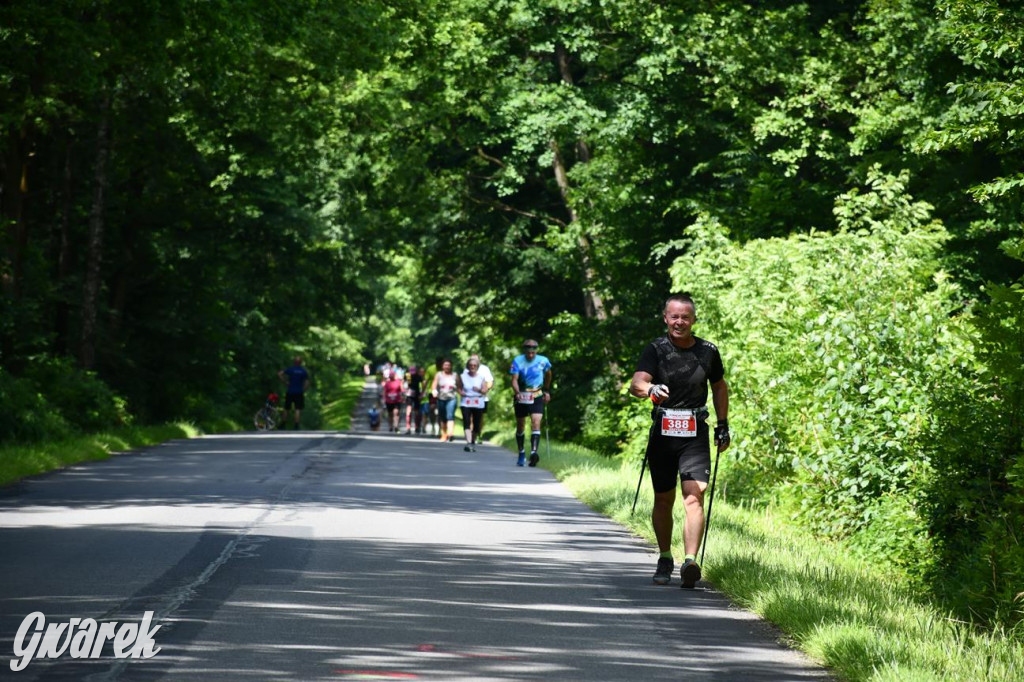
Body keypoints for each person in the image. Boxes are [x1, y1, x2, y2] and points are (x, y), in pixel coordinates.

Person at [629, 293, 730, 589]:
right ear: (665, 318)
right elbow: (636, 383)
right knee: (664, 497)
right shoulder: (655, 349)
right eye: (674, 316)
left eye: (685, 317)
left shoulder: (708, 352)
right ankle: (664, 556)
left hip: (695, 430)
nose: (679, 322)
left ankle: (690, 561)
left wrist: (722, 425)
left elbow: (719, 386)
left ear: (694, 320)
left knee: (693, 495)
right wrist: (650, 389)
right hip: (663, 430)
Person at [509, 339, 552, 467]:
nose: (531, 355)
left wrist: (547, 390)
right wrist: (517, 392)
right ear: (525, 351)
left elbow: (549, 374)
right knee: (521, 425)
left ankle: (533, 453)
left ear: (536, 351)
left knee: (536, 421)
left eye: (533, 353)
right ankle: (521, 452)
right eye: (528, 353)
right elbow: (514, 380)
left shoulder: (543, 360)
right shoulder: (517, 361)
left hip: (537, 394)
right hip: (522, 394)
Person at [457, 358, 488, 452]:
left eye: (474, 365)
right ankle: (469, 442)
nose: (472, 367)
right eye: (471, 365)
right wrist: (460, 392)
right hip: (466, 401)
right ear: (468, 366)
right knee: (466, 421)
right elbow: (458, 387)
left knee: (476, 424)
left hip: (478, 401)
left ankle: (473, 441)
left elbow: (485, 390)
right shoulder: (462, 376)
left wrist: (478, 390)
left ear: (477, 367)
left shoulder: (481, 377)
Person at [277, 356, 311, 429]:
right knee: (297, 409)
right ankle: (296, 425)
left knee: (286, 408)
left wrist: (285, 382)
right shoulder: (303, 371)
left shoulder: (290, 369)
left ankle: (283, 424)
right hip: (299, 392)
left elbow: (280, 374)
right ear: (301, 362)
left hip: (290, 391)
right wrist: (303, 389)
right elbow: (307, 382)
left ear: (294, 362)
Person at [431, 358, 458, 442]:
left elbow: (460, 386)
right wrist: (434, 391)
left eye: (449, 365)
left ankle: (450, 434)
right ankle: (444, 434)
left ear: (451, 366)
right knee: (443, 417)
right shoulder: (439, 375)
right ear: (442, 366)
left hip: (452, 398)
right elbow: (434, 385)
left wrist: (463, 394)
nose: (447, 367)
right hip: (441, 398)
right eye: (445, 365)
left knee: (450, 416)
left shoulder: (455, 375)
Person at [469, 353, 494, 440]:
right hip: (470, 397)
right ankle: (473, 435)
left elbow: (490, 381)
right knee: (472, 416)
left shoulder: (484, 369)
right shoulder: (467, 369)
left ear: (479, 360)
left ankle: (479, 433)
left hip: (482, 398)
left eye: (476, 360)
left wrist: (485, 390)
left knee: (479, 417)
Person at [403, 364, 424, 435]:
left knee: (417, 412)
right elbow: (402, 383)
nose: (412, 374)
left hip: (417, 395)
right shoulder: (408, 375)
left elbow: (423, 384)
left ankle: (417, 427)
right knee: (408, 411)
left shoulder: (418, 376)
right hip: (409, 395)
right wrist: (404, 391)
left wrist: (422, 394)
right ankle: (408, 428)